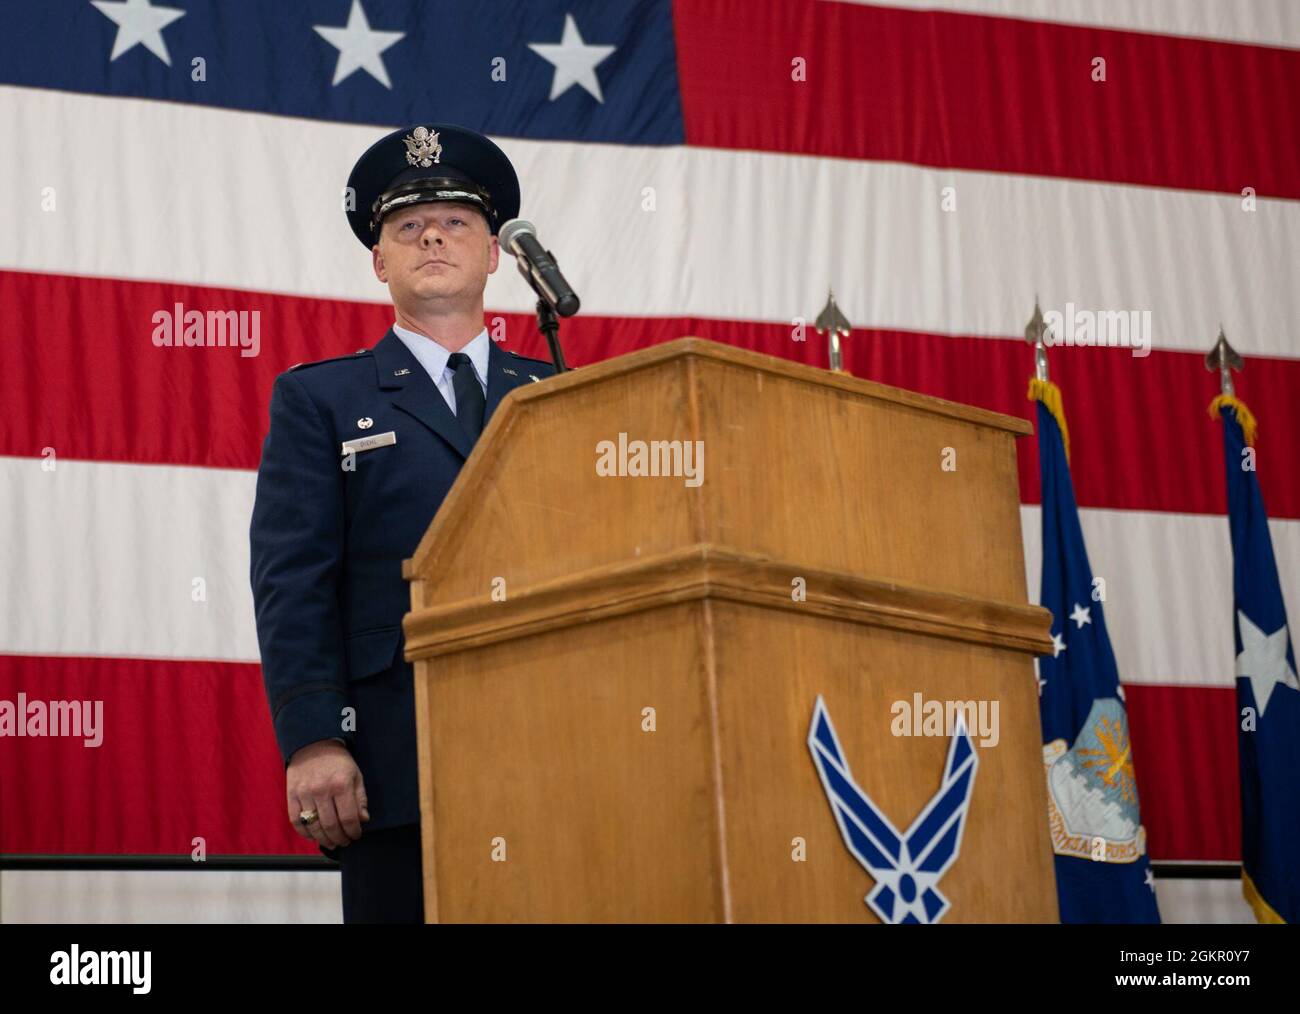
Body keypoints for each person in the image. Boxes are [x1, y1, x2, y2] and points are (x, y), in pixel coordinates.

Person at [249, 122, 554, 923]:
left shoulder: (560, 394)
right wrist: (316, 739)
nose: (432, 237)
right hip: (395, 758)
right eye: (407, 227)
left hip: (559, 745)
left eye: (456, 222)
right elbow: (293, 582)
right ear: (380, 262)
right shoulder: (322, 399)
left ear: (494, 253)